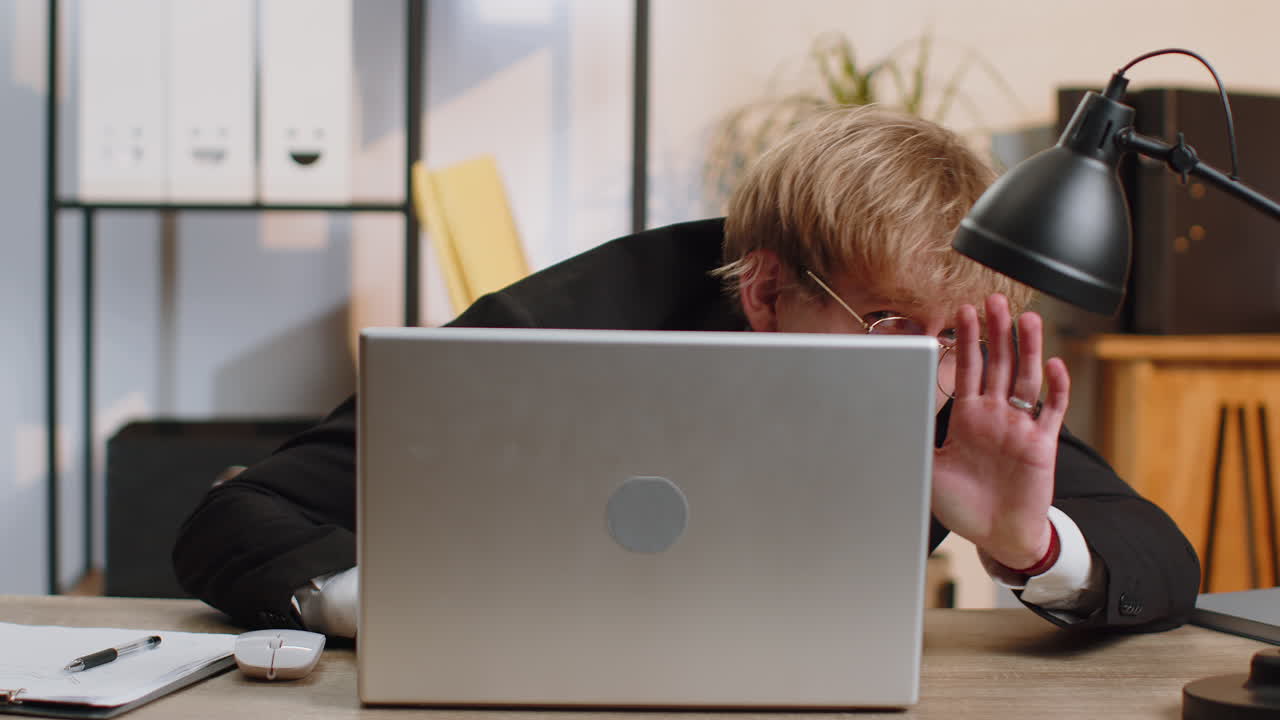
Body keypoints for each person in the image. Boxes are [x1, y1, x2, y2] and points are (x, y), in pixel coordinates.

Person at [173, 106, 1200, 639]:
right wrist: (398, 608)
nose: (927, 373)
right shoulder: (561, 326)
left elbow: (1154, 557)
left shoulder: (942, 368)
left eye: (947, 336)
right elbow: (238, 520)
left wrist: (1026, 544)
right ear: (763, 292)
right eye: (886, 321)